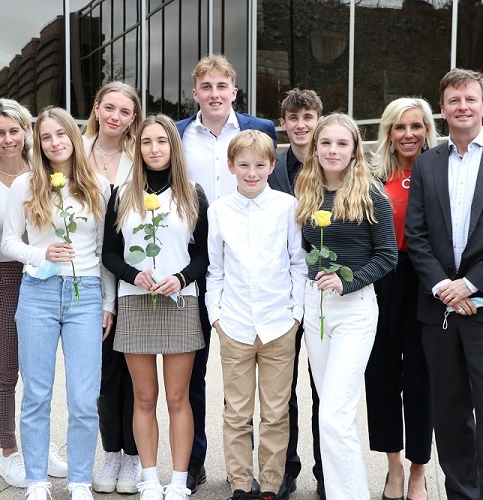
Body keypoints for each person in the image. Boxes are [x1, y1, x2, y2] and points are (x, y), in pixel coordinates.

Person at [405, 69, 483, 499]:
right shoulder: (427, 163)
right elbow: (417, 235)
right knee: (450, 415)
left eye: (471, 99)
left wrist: (471, 285)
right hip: (440, 310)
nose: (463, 106)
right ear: (442, 109)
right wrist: (446, 286)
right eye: (454, 100)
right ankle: (462, 494)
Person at [1, 106, 116, 500]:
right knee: (36, 393)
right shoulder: (25, 185)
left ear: (74, 137)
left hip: (85, 296)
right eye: (46, 137)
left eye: (61, 135)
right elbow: (8, 242)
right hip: (38, 295)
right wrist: (41, 254)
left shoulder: (98, 186)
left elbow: (103, 252)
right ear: (39, 142)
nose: (54, 143)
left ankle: (80, 480)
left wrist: (109, 303)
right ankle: (36, 480)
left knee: (84, 397)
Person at [175, 53, 277, 495]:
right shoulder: (178, 134)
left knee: (273, 387)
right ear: (196, 93)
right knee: (193, 371)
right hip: (194, 258)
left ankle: (277, 470)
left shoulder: (261, 130)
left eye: (222, 87)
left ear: (234, 92)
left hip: (250, 263)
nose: (215, 95)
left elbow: (280, 194)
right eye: (206, 87)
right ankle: (195, 462)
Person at [102, 114, 209, 500]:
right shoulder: (122, 193)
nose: (154, 148)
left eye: (162, 141)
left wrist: (180, 278)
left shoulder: (192, 193)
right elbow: (109, 253)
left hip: (180, 301)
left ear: (173, 146)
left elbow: (203, 256)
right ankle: (149, 478)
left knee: (178, 398)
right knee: (144, 398)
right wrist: (134, 275)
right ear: (138, 147)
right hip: (136, 301)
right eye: (147, 142)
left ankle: (178, 481)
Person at [294, 113, 397, 499]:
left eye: (342, 143)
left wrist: (346, 279)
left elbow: (388, 256)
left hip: (354, 309)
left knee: (335, 413)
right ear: (315, 148)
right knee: (331, 413)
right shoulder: (306, 188)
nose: (333, 150)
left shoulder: (372, 193)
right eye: (326, 143)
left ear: (355, 149)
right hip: (316, 308)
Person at [0, 98, 68, 488]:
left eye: (15, 130)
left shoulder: (43, 168)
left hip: (47, 274)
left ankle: (38, 446)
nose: (8, 139)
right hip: (4, 276)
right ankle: (9, 452)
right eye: (0, 133)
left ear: (26, 132)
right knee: (7, 369)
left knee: (39, 372)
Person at [207, 129, 307, 500]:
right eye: (244, 165)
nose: (252, 172)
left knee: (276, 412)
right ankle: (238, 482)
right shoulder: (218, 210)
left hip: (279, 323)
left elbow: (298, 263)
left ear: (271, 165)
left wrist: (296, 314)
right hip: (234, 324)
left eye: (260, 165)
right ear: (231, 166)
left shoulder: (286, 206)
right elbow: (215, 269)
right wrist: (216, 315)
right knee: (236, 412)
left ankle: (269, 483)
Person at [364, 97, 438, 500]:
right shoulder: (372, 176)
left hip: (426, 281)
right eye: (399, 127)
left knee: (421, 378)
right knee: (381, 376)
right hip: (382, 278)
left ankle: (418, 471)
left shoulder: (440, 167)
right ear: (388, 133)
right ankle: (394, 467)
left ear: (426, 129)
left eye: (416, 126)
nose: (408, 134)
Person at [82, 81, 144, 495]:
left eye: (124, 111)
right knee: (104, 375)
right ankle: (112, 453)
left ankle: (136, 456)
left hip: (133, 278)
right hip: (89, 276)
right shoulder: (77, 151)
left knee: (136, 375)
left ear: (133, 118)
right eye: (109, 108)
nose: (115, 117)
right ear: (97, 108)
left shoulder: (140, 158)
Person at [266, 88, 324, 499]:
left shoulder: (335, 160)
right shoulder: (271, 169)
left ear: (318, 119)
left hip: (327, 286)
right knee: (280, 389)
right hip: (283, 289)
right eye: (293, 118)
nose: (301, 125)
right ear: (282, 124)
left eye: (308, 116)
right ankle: (286, 468)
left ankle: (327, 471)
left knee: (323, 385)